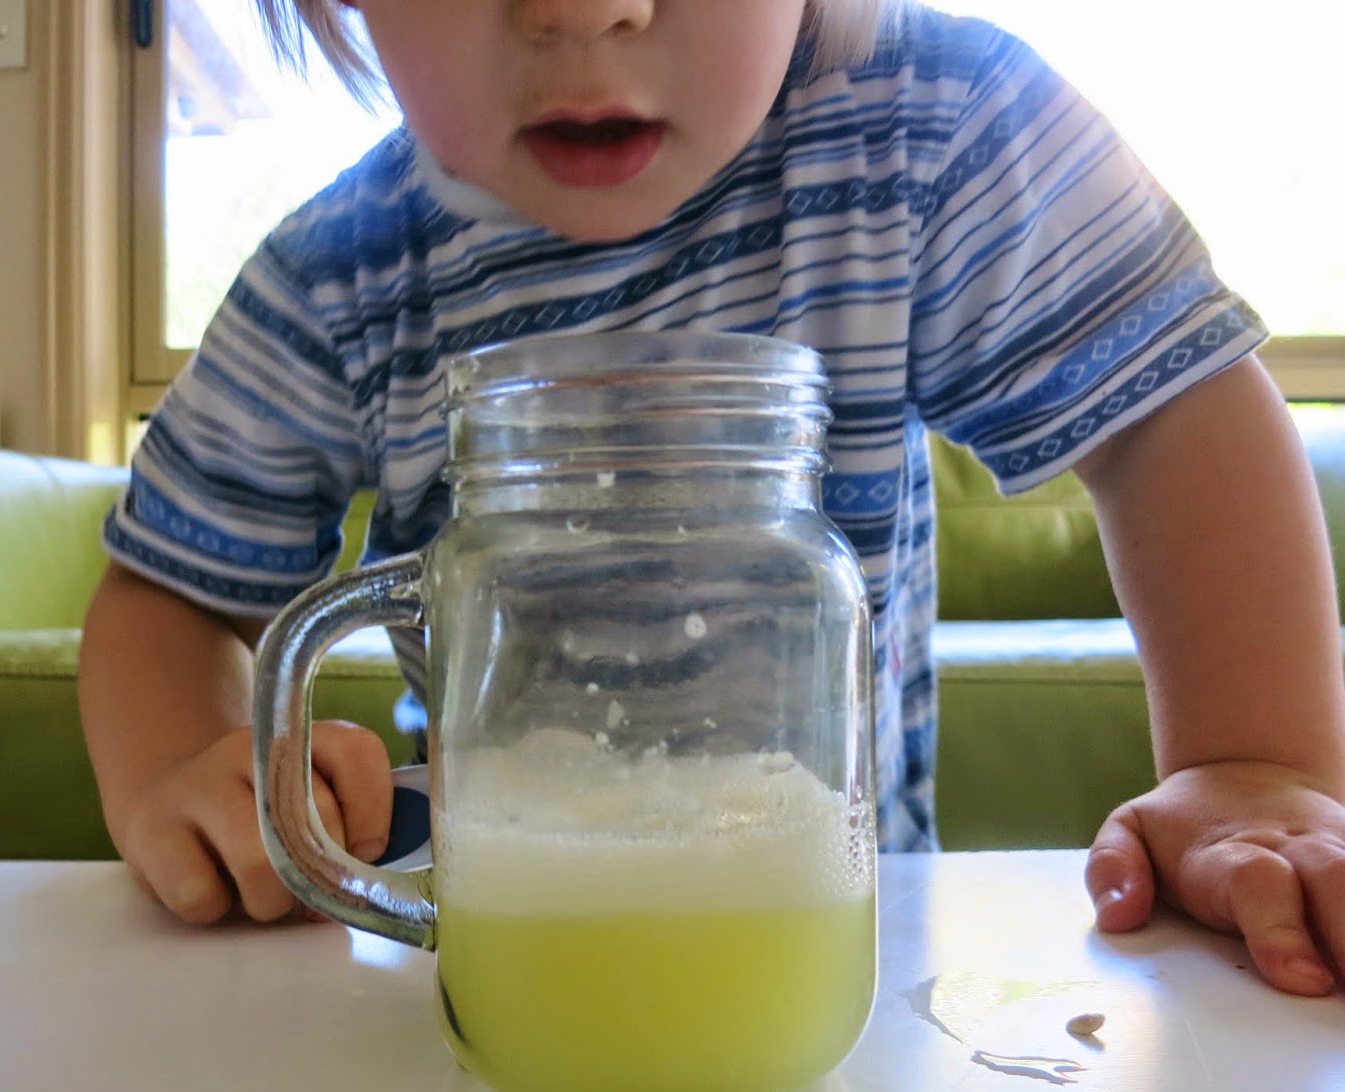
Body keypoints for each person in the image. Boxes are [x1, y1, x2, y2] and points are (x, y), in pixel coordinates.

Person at [78, 0, 1345, 995]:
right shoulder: (334, 277)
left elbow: (1171, 420)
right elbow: (172, 596)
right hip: (495, 953)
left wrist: (1254, 765)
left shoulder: (925, 129)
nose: (587, 10)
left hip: (849, 947)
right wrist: (187, 770)